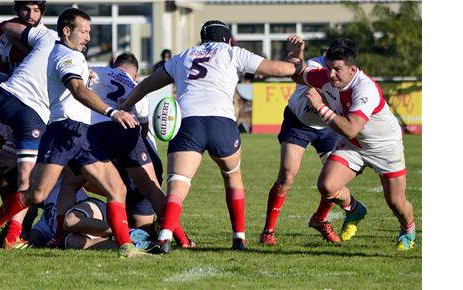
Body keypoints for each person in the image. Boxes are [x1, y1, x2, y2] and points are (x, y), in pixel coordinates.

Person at [121, 20, 304, 253]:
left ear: (202, 39)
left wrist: (125, 105)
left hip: (188, 123)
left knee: (178, 185)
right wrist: (297, 63)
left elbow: (147, 84)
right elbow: (279, 69)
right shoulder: (231, 52)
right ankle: (239, 239)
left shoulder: (182, 56)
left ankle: (165, 237)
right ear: (227, 39)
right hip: (221, 121)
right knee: (232, 175)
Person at [0, 8, 148, 258]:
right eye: (84, 31)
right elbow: (78, 91)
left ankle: (126, 248)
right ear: (67, 31)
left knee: (118, 189)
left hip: (81, 135)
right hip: (63, 133)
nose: (89, 37)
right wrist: (113, 112)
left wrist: (87, 74)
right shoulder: (65, 56)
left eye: (90, 32)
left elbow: (77, 81)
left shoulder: (70, 54)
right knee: (35, 194)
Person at [288, 35, 416, 250]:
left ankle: (408, 229)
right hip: (353, 145)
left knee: (396, 202)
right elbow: (300, 76)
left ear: (352, 68)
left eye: (337, 69)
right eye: (329, 68)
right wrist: (297, 55)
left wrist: (320, 107)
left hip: (384, 146)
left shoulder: (366, 89)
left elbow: (351, 127)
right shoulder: (327, 76)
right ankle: (354, 209)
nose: (331, 74)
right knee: (327, 187)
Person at [86, 53, 195, 249]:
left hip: (98, 140)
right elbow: (143, 132)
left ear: (114, 65)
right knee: (150, 196)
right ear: (134, 75)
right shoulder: (136, 88)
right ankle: (180, 238)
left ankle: (59, 232)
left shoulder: (99, 73)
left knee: (79, 182)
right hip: (137, 151)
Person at [0, 2, 56, 250]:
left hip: (33, 110)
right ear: (18, 8)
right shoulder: (1, 31)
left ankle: (22, 227)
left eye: (36, 10)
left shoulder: (43, 37)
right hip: (9, 103)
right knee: (4, 169)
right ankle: (10, 227)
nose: (31, 15)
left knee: (28, 175)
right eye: (26, 9)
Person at [259, 54, 341, 245]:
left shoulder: (351, 75)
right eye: (332, 65)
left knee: (335, 180)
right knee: (287, 175)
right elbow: (300, 70)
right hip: (299, 123)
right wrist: (299, 56)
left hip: (328, 127)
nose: (335, 72)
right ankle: (268, 231)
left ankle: (320, 219)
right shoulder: (315, 66)